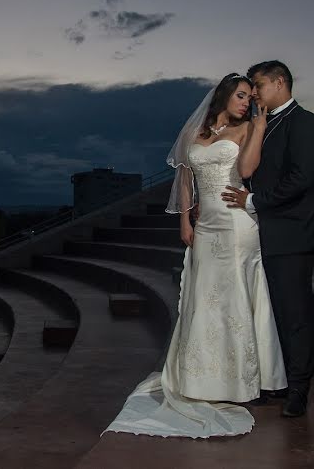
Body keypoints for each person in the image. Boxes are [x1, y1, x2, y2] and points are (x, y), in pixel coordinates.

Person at [104, 72, 286, 439]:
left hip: (237, 226)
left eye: (250, 97)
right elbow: (186, 182)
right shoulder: (195, 135)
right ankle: (202, 378)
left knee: (234, 300)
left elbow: (247, 171)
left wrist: (260, 124)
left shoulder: (249, 127)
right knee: (203, 301)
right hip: (205, 228)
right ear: (222, 97)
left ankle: (239, 383)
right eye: (240, 95)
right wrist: (184, 223)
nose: (245, 102)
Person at [222, 60, 314, 417]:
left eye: (259, 87)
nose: (254, 95)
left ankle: (299, 388)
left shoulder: (304, 122)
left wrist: (253, 201)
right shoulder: (264, 123)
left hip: (291, 234)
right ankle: (278, 381)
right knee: (271, 312)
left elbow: (300, 179)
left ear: (280, 83)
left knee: (294, 312)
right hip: (263, 233)